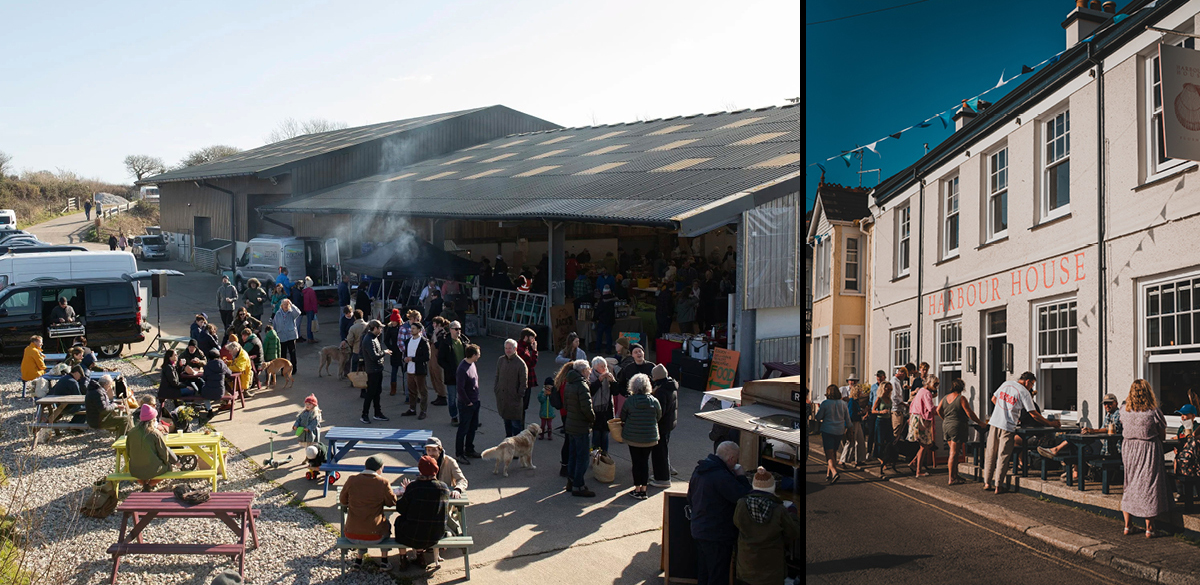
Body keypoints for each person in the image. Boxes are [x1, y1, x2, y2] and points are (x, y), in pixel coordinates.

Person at [687, 441, 752, 585]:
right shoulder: (721, 476)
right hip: (717, 535)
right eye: (736, 458)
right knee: (718, 577)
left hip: (699, 529)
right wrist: (741, 476)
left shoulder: (700, 470)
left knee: (703, 573)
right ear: (731, 459)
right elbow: (743, 496)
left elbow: (690, 497)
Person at [983, 371, 1057, 494]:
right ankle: (998, 486)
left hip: (994, 422)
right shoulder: (1024, 392)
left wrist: (1003, 409)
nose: (1031, 387)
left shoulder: (1006, 384)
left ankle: (987, 483)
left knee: (990, 453)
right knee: (1003, 455)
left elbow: (993, 399)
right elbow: (1033, 414)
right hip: (1007, 426)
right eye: (1032, 384)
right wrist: (1050, 424)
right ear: (1027, 381)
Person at [732, 468, 801, 585]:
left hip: (746, 568)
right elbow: (793, 532)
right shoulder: (779, 509)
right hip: (772, 571)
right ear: (772, 487)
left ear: (754, 486)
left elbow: (736, 523)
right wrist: (793, 514)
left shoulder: (741, 505)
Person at [1121, 379, 1171, 537]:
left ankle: (1128, 526)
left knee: (1130, 483)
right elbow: (1161, 434)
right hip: (1148, 448)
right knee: (1149, 484)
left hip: (1129, 448)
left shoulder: (1124, 410)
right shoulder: (1153, 411)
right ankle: (1149, 528)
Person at [393, 455, 451, 563]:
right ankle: (420, 555)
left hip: (412, 535)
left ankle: (403, 557)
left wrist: (406, 493)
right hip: (435, 534)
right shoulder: (443, 487)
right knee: (424, 523)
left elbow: (400, 508)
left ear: (420, 470)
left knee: (399, 521)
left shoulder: (414, 487)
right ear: (436, 469)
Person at [339, 455, 397, 561]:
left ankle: (359, 558)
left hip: (351, 533)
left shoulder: (352, 480)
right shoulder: (383, 482)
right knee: (384, 524)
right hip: (375, 536)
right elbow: (391, 502)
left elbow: (343, 500)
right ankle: (384, 560)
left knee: (362, 521)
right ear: (379, 468)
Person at [621, 373, 662, 500]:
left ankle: (637, 488)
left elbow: (623, 417)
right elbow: (658, 416)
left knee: (636, 462)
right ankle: (644, 490)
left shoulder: (629, 401)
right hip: (649, 438)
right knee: (644, 462)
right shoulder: (654, 401)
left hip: (633, 438)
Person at [938, 378, 986, 485]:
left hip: (946, 426)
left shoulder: (945, 397)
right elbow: (969, 413)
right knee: (954, 453)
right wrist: (980, 422)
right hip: (957, 426)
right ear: (962, 388)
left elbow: (938, 410)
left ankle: (955, 475)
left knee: (953, 451)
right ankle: (951, 478)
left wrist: (945, 419)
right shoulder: (961, 398)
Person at [564, 359, 596, 497]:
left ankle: (571, 481)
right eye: (589, 369)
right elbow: (586, 408)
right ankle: (579, 485)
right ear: (583, 371)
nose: (590, 371)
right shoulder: (582, 386)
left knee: (573, 455)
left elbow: (566, 405)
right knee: (582, 458)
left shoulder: (569, 383)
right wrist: (593, 419)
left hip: (571, 424)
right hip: (580, 426)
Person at [127, 404, 178, 490]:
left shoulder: (131, 432)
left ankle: (143, 483)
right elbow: (163, 453)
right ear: (153, 420)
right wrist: (165, 463)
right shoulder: (155, 433)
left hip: (135, 470)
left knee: (143, 467)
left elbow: (128, 451)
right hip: (153, 470)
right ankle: (149, 485)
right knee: (169, 467)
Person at [650, 363, 678, 487]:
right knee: (663, 451)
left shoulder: (662, 391)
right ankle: (662, 474)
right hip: (668, 424)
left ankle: (662, 479)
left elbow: (659, 411)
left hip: (661, 426)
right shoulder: (671, 386)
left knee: (659, 453)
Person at [455, 344, 484, 464]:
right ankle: (459, 453)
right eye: (478, 354)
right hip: (467, 404)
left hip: (475, 401)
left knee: (473, 427)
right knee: (463, 429)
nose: (479, 356)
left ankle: (469, 449)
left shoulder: (472, 364)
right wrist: (468, 402)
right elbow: (460, 389)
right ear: (473, 355)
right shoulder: (462, 368)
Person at [814, 385, 849, 483]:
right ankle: (828, 474)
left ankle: (834, 472)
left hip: (828, 431)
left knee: (829, 454)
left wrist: (819, 411)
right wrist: (850, 428)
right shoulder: (843, 403)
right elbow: (847, 418)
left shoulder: (825, 403)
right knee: (833, 452)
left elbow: (818, 417)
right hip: (839, 431)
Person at [493, 339, 529, 437]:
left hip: (514, 401)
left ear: (515, 349)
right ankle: (508, 444)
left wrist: (518, 396)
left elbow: (523, 383)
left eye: (510, 348)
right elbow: (497, 376)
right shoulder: (501, 360)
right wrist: (496, 389)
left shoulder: (520, 364)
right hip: (503, 399)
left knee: (516, 426)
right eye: (506, 348)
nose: (507, 350)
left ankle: (518, 448)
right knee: (507, 423)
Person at [360, 319, 392, 424]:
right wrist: (385, 352)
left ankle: (377, 413)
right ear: (375, 328)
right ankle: (364, 415)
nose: (381, 330)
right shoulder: (368, 340)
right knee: (371, 393)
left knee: (377, 392)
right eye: (380, 328)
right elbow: (374, 357)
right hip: (372, 370)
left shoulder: (374, 338)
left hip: (377, 369)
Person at [438, 320, 469, 425]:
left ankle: (464, 416)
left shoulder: (464, 341)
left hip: (464, 375)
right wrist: (449, 369)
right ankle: (454, 416)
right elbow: (440, 359)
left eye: (459, 328)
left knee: (465, 396)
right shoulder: (446, 342)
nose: (458, 331)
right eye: (456, 329)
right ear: (450, 330)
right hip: (452, 375)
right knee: (452, 398)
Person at [907, 375, 937, 476]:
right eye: (935, 384)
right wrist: (942, 409)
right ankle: (918, 471)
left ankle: (914, 463)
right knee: (924, 446)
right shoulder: (927, 393)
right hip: (922, 421)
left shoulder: (921, 391)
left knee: (925, 445)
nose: (937, 386)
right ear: (929, 383)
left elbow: (913, 404)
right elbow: (931, 408)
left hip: (915, 419)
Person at [402, 322, 431, 419]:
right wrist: (405, 359)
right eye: (411, 328)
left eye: (414, 328)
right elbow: (405, 353)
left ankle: (423, 411)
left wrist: (412, 359)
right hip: (410, 370)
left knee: (422, 391)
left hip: (419, 371)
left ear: (419, 330)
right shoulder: (408, 341)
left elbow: (427, 357)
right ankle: (412, 409)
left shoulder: (423, 342)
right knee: (412, 391)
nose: (412, 330)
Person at [588, 356, 616, 453]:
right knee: (596, 435)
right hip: (595, 410)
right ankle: (595, 456)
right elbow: (590, 391)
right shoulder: (590, 376)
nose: (604, 368)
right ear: (595, 367)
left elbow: (616, 392)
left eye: (605, 366)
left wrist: (613, 382)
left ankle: (604, 456)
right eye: (601, 366)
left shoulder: (609, 375)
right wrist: (599, 380)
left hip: (606, 409)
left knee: (605, 435)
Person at [838, 383, 868, 469]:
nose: (861, 394)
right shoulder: (852, 401)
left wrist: (861, 412)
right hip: (853, 423)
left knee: (860, 441)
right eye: (860, 392)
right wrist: (861, 412)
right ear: (856, 392)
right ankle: (842, 460)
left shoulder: (855, 401)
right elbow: (851, 414)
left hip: (857, 422)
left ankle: (859, 459)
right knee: (850, 441)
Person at [872, 381, 896, 471]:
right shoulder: (879, 398)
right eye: (887, 389)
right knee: (880, 441)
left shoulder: (889, 399)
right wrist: (881, 412)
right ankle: (881, 460)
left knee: (890, 440)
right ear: (883, 389)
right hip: (880, 421)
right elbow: (873, 410)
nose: (889, 391)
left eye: (890, 389)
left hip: (887, 420)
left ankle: (888, 458)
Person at [200, 348, 233, 414]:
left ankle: (209, 409)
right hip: (220, 391)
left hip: (208, 391)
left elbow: (204, 378)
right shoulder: (222, 364)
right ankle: (226, 403)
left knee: (203, 394)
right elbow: (229, 373)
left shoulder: (207, 366)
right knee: (227, 390)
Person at [272, 298, 301, 373]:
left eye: (287, 304)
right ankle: (283, 370)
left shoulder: (292, 313)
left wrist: (292, 305)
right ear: (281, 305)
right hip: (281, 336)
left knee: (292, 353)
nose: (286, 306)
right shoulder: (278, 314)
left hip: (291, 336)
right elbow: (274, 325)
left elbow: (298, 312)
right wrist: (275, 334)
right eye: (284, 304)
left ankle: (293, 369)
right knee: (283, 354)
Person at [427, 317, 448, 406]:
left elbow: (437, 345)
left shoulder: (442, 334)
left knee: (439, 377)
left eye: (435, 323)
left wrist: (434, 335)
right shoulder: (436, 333)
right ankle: (439, 395)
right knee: (434, 377)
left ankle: (442, 396)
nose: (433, 325)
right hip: (433, 359)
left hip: (438, 360)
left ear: (439, 324)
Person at [384, 311, 404, 396]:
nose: (393, 323)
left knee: (404, 372)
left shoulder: (402, 328)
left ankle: (405, 388)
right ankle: (393, 388)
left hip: (402, 351)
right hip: (395, 352)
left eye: (394, 321)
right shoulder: (390, 328)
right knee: (394, 371)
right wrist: (391, 347)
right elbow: (386, 340)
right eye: (392, 321)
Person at [593, 285, 616, 354]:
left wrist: (594, 318)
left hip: (602, 320)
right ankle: (608, 349)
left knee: (599, 335)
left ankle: (598, 349)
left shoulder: (602, 301)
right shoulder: (613, 300)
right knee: (609, 335)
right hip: (610, 320)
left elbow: (598, 311)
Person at [344, 309, 368, 374]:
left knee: (355, 367)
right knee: (365, 368)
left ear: (354, 317)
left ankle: (354, 382)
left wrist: (352, 345)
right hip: (366, 351)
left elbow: (349, 340)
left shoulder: (353, 328)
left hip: (356, 350)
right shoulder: (368, 326)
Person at [302, 278, 320, 343]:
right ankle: (310, 338)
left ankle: (310, 337)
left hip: (306, 308)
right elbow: (314, 302)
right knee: (311, 324)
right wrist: (315, 310)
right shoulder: (311, 291)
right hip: (311, 309)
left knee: (309, 323)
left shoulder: (304, 291)